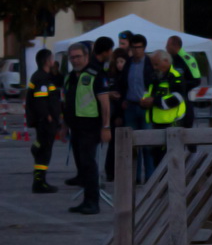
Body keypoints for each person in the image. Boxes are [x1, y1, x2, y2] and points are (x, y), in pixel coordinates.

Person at [62, 43, 112, 214]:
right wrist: (64, 126)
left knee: (89, 164)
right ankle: (86, 201)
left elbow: (105, 104)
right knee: (82, 165)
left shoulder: (95, 75)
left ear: (86, 56)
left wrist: (106, 127)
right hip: (75, 127)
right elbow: (67, 103)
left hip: (90, 126)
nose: (75, 60)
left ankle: (92, 202)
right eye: (72, 57)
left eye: (78, 56)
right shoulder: (70, 77)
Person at [140, 50, 189, 171]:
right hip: (156, 124)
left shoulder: (175, 76)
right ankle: (159, 181)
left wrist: (154, 101)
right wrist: (144, 102)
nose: (154, 67)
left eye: (156, 64)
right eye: (153, 64)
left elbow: (177, 98)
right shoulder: (155, 76)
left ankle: (170, 182)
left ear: (166, 61)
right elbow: (148, 94)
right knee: (157, 158)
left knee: (171, 159)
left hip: (172, 124)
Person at [116, 33, 155, 182]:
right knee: (132, 145)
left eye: (139, 47)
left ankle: (150, 177)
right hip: (131, 106)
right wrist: (122, 101)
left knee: (147, 144)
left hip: (145, 107)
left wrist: (152, 99)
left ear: (144, 48)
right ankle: (135, 177)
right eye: (134, 47)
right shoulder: (128, 64)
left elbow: (155, 83)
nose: (136, 50)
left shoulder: (150, 63)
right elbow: (122, 84)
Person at [24, 49, 63, 194]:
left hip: (45, 121)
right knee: (44, 151)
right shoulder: (42, 78)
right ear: (46, 61)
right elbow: (40, 99)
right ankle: (39, 182)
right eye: (51, 58)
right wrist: (48, 116)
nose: (53, 61)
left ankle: (40, 179)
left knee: (43, 148)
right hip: (46, 122)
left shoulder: (43, 76)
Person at [103, 47, 130, 183]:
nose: (120, 65)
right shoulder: (111, 76)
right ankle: (110, 171)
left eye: (122, 62)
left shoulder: (127, 75)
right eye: (118, 62)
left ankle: (120, 170)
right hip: (114, 114)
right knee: (113, 144)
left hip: (124, 113)